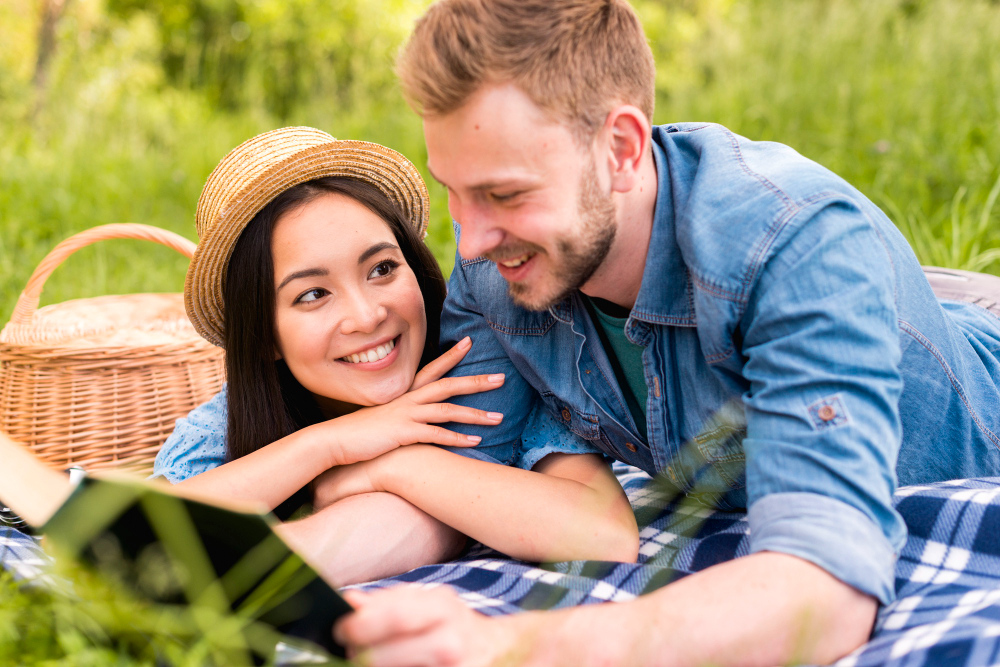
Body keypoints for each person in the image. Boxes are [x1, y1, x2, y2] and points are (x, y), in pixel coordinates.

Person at [330, 1, 1000, 665]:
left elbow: (826, 587)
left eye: (505, 195)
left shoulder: (793, 244)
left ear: (621, 148)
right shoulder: (494, 268)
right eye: (454, 190)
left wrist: (509, 644)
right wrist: (274, 581)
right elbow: (459, 481)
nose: (469, 239)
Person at [0, 127, 640, 588]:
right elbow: (152, 538)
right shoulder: (224, 430)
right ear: (267, 338)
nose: (365, 316)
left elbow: (605, 535)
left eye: (383, 268)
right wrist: (328, 446)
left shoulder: (486, 375)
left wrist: (387, 466)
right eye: (311, 294)